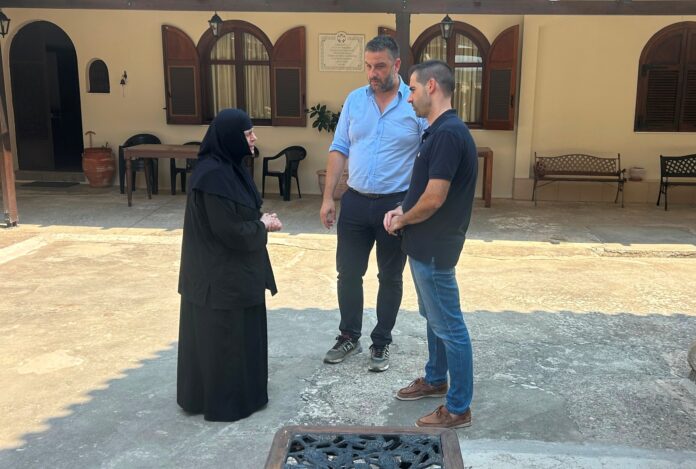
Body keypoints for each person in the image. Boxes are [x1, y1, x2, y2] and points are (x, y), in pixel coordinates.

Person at [320, 35, 426, 372]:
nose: (372, 73)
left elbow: (428, 155)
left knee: (390, 276)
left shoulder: (413, 104)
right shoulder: (355, 100)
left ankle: (381, 342)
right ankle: (348, 335)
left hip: (395, 205)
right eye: (368, 66)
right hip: (354, 202)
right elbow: (339, 148)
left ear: (397, 65)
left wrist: (411, 206)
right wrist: (328, 197)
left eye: (380, 66)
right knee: (348, 273)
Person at [384, 60, 478, 428]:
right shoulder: (437, 132)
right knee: (434, 319)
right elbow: (424, 189)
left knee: (450, 327)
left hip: (436, 250)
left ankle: (458, 408)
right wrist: (402, 209)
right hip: (424, 246)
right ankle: (437, 379)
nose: (408, 97)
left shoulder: (448, 134)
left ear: (432, 86)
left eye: (412, 88)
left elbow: (435, 197)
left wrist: (403, 219)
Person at [177, 108, 282, 422]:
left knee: (239, 339)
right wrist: (262, 225)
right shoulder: (212, 176)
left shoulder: (230, 169)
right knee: (224, 341)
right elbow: (229, 231)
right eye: (248, 134)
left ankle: (244, 394)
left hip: (234, 273)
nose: (254, 139)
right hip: (219, 278)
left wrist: (259, 219)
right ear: (230, 137)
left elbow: (240, 214)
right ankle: (225, 403)